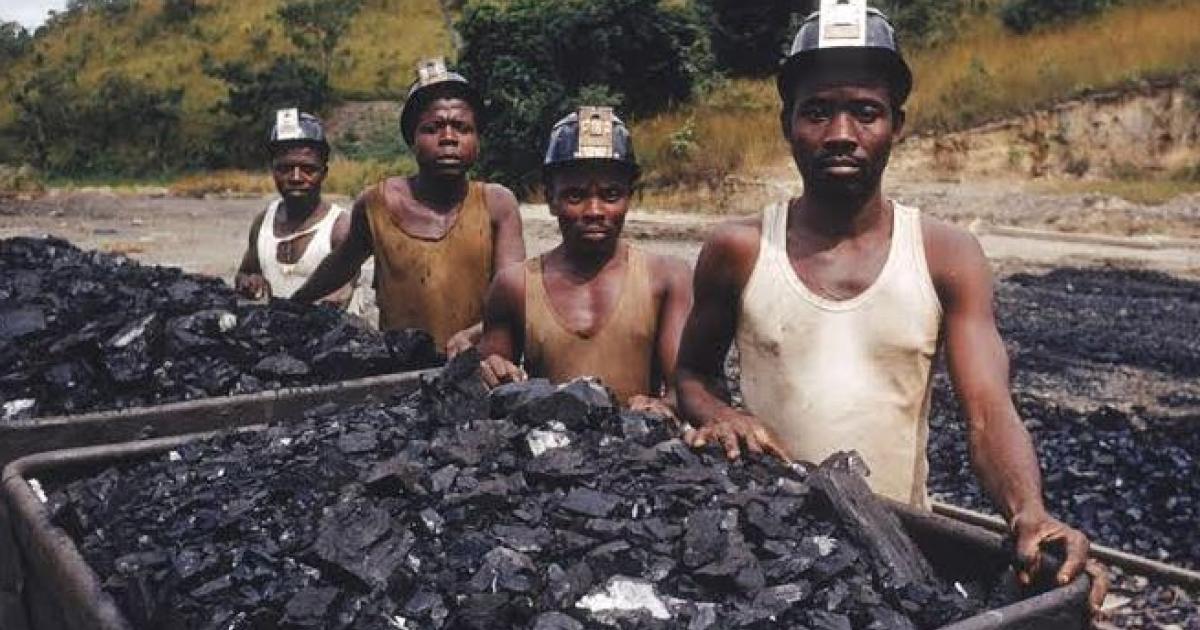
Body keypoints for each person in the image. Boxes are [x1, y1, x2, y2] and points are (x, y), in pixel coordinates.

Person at [673, 2, 1108, 618]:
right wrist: (721, 413)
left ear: (897, 125)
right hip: (763, 548)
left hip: (897, 545)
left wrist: (1027, 511)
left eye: (866, 112)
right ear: (786, 123)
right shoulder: (739, 250)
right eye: (818, 111)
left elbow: (987, 410)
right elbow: (691, 374)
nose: (842, 133)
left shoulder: (944, 255)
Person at [291, 58, 524, 354]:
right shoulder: (376, 204)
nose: (449, 138)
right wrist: (295, 303)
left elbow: (514, 293)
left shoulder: (497, 203)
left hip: (478, 367)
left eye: (462, 127)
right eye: (433, 128)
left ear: (477, 140)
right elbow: (342, 262)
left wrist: (475, 334)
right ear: (412, 138)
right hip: (401, 375)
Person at [478, 106, 692, 415]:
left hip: (638, 450)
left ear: (630, 197)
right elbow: (492, 392)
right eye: (575, 196)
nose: (594, 211)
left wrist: (660, 408)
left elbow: (686, 388)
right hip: (551, 449)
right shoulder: (515, 285)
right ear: (551, 198)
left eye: (610, 194)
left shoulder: (667, 278)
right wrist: (492, 372)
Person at [235, 109, 355, 307]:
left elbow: (340, 296)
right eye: (285, 168)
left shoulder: (340, 228)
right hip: (276, 333)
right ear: (273, 170)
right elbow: (247, 271)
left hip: (333, 336)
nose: (296, 178)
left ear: (324, 172)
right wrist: (248, 281)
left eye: (308, 169)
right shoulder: (262, 224)